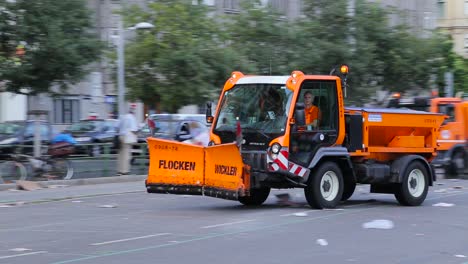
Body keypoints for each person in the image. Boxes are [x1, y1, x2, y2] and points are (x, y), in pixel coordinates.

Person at [117, 106, 138, 176]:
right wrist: (136, 135)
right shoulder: (131, 118)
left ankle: (119, 170)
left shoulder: (123, 117)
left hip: (120, 137)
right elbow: (134, 129)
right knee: (126, 155)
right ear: (133, 112)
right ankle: (125, 171)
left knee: (121, 155)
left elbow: (117, 127)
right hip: (127, 137)